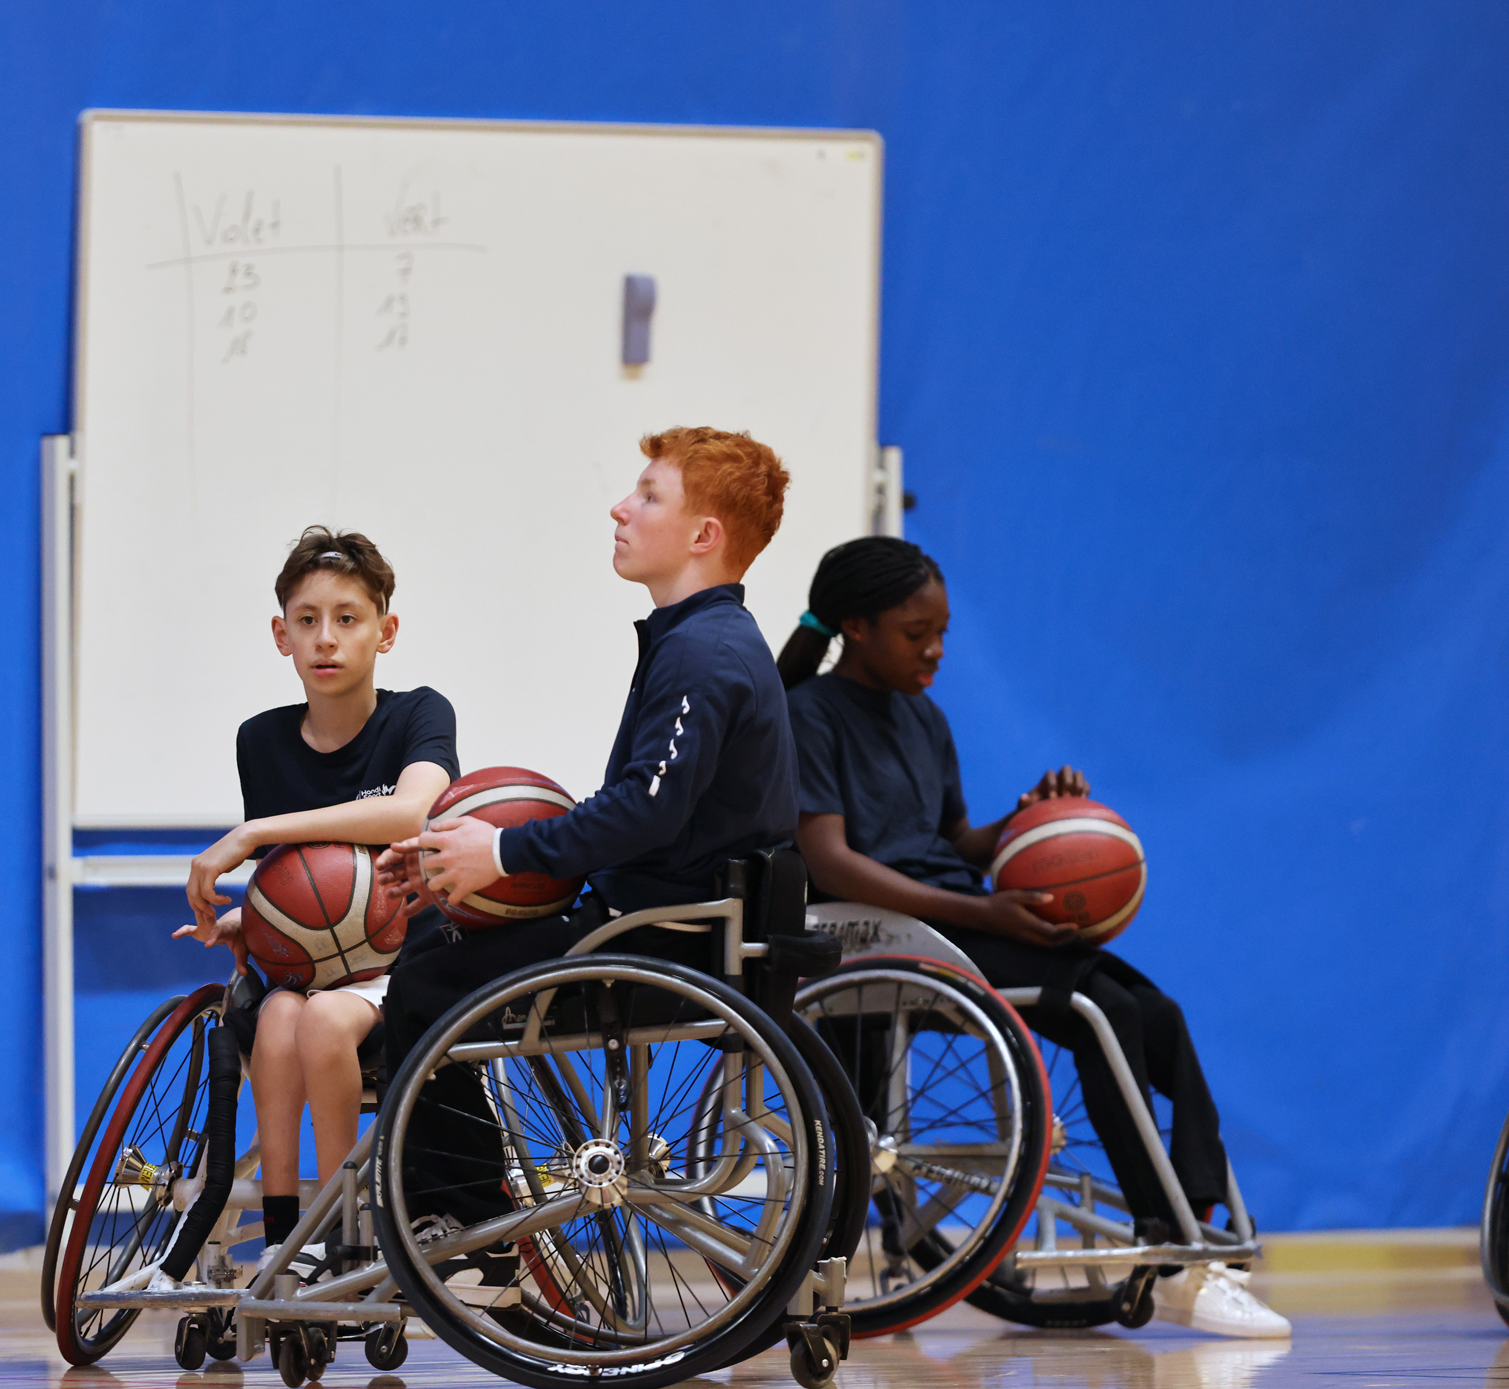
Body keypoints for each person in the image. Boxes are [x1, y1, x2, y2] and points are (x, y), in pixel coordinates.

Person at [777, 535, 1288, 1339]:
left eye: (942, 631)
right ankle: (1171, 1250)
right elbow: (831, 864)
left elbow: (951, 843)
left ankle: (1199, 1222)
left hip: (946, 915)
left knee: (1154, 1014)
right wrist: (983, 913)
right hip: (879, 930)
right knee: (1095, 1010)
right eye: (918, 633)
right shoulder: (807, 716)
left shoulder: (925, 717)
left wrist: (1028, 819)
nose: (936, 648)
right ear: (857, 625)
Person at [375, 426, 800, 1261]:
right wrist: (457, 861)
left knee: (427, 978)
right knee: (436, 932)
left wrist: (497, 858)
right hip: (659, 915)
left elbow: (644, 812)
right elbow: (643, 809)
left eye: (647, 495)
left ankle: (461, 1228)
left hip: (661, 936)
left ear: (702, 536)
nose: (620, 506)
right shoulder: (698, 639)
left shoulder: (705, 653)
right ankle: (452, 1199)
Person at [174, 528, 457, 1268]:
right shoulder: (261, 740)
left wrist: (254, 831)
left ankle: (347, 1237)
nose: (325, 640)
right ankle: (282, 1239)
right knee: (275, 1019)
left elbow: (411, 814)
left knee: (327, 1021)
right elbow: (298, 884)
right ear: (281, 635)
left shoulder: (420, 713)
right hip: (314, 967)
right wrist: (252, 918)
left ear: (384, 631)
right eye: (306, 620)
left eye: (347, 618)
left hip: (402, 959)